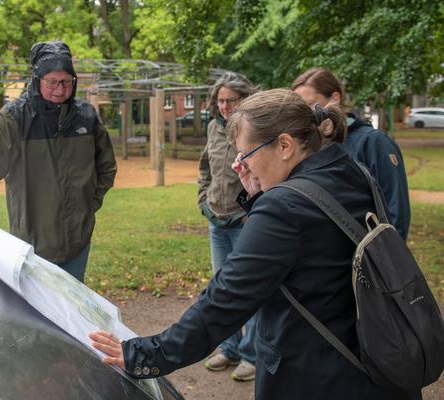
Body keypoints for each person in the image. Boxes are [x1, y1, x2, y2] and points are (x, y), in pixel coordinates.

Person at [89, 89, 421, 400]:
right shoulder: (350, 170)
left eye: (246, 154)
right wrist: (260, 195)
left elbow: (227, 298)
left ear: (286, 146)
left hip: (318, 377)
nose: (241, 165)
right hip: (375, 365)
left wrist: (146, 354)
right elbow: (309, 248)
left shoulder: (284, 209)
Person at [0, 40, 117, 282]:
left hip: (78, 240)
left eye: (66, 82)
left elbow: (106, 166)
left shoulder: (86, 116)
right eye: (51, 82)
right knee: (36, 314)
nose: (59, 89)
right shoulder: (13, 119)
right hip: (31, 244)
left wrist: (88, 204)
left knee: (71, 310)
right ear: (37, 80)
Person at [292, 67, 410, 239]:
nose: (305, 114)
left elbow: (396, 209)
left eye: (309, 104)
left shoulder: (373, 142)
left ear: (335, 98)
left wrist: (388, 260)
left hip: (367, 256)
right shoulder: (307, 146)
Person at [197, 72, 258, 381]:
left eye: (230, 100)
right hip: (216, 221)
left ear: (244, 100)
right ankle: (229, 348)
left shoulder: (255, 130)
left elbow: (262, 172)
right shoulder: (212, 127)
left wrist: (255, 209)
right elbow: (205, 166)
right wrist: (202, 199)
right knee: (223, 288)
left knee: (251, 287)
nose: (223, 106)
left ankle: (251, 354)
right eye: (220, 100)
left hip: (244, 221)